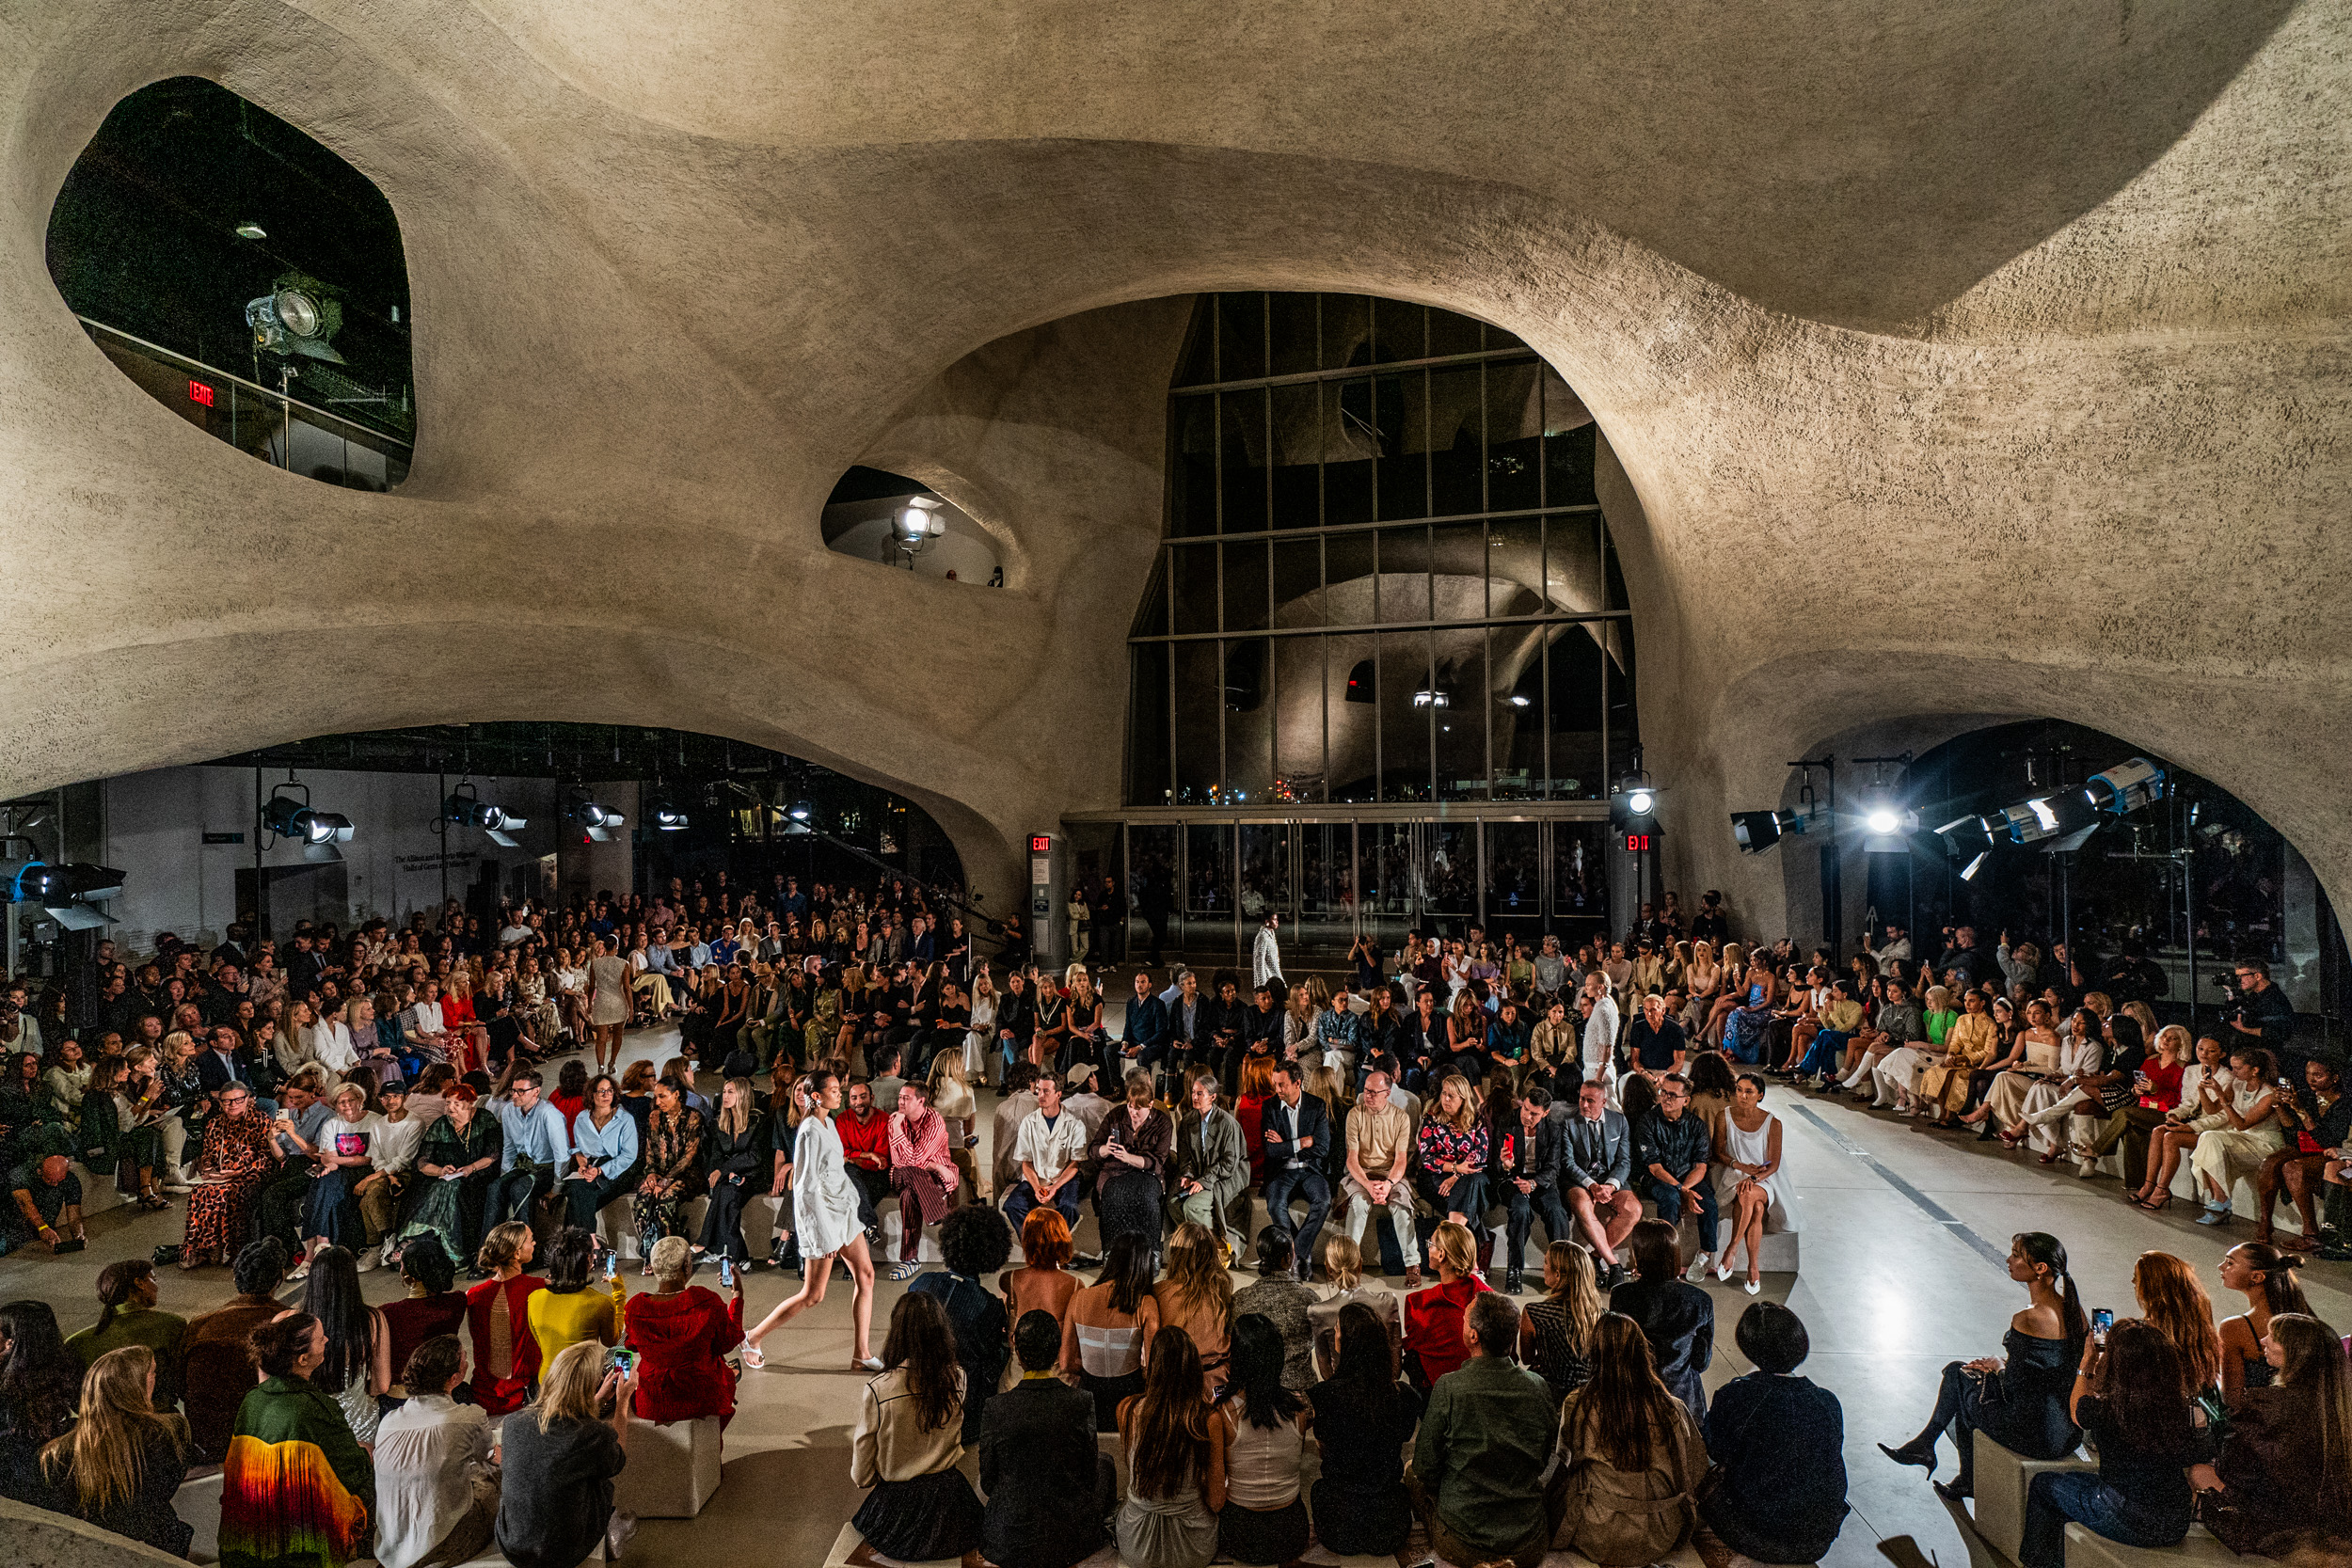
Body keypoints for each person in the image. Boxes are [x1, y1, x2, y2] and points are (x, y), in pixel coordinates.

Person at [1881, 1231, 2087, 1499]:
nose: (2008, 1260)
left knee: (1959, 1378)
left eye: (2016, 1255)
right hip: (2065, 1432)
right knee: (1967, 1381)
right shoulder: (2075, 1313)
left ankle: (1940, 1456)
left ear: (2040, 1268)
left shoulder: (2028, 1318)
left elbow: (2014, 1385)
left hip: (2033, 1434)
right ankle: (1936, 1454)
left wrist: (1999, 1366)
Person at [2018, 1319, 2196, 1568]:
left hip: (2125, 1516)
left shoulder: (2107, 1409)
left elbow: (2076, 1411)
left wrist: (2086, 1364)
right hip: (2175, 1521)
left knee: (2044, 1485)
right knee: (2074, 1480)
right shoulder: (2179, 1407)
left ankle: (2036, 1564)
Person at [742, 1071, 882, 1371]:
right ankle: (752, 1338)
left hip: (841, 1213)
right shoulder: (809, 1130)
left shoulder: (828, 1122)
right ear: (816, 1096)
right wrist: (821, 1235)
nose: (839, 1093)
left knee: (866, 1276)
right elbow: (805, 1186)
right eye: (833, 1089)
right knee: (813, 1295)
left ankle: (861, 1354)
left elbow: (834, 1172)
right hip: (823, 1219)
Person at [1697, 1302, 1849, 1568]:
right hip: (1817, 1540)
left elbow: (1713, 1450)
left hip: (1755, 1534)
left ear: (1749, 1347)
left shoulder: (1736, 1396)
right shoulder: (1828, 1402)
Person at [1552, 1311, 1708, 1566]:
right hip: (1661, 1530)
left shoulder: (1579, 1403)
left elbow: (1567, 1461)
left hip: (1598, 1530)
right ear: (1642, 1352)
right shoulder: (1672, 1407)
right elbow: (1696, 1467)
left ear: (1596, 1354)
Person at [1410, 1291, 1554, 1568]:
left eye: (1464, 1320)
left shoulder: (1449, 1387)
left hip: (1463, 1543)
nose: (1462, 1323)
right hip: (1527, 1542)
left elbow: (1425, 1467)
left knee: (1410, 1475)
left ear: (1473, 1336)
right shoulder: (1537, 1386)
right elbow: (1544, 1458)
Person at [219, 1312, 375, 1568]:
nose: (326, 1339)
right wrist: (365, 1454)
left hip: (250, 1536)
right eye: (319, 1338)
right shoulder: (315, 1408)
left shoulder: (252, 1400)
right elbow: (352, 1472)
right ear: (303, 1359)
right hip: (300, 1543)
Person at [2187, 1312, 2352, 1553]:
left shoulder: (2264, 1404)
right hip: (2322, 1523)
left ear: (2294, 1353)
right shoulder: (2340, 1409)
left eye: (2272, 1337)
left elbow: (2232, 1472)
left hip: (2271, 1525)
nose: (2263, 1341)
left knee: (2198, 1471)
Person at [845, 1292, 986, 1568]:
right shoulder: (958, 1378)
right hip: (950, 1505)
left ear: (896, 1332)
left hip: (898, 1508)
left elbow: (862, 1472)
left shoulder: (878, 1388)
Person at [980, 1308, 1118, 1568]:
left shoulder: (996, 1407)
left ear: (1018, 1354)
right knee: (1106, 1463)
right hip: (1070, 1540)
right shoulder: (1081, 1402)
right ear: (1057, 1352)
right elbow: (1089, 1475)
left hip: (1009, 1539)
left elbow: (988, 1481)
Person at [34, 1344, 192, 1556]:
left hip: (96, 1552)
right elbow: (167, 1485)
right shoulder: (170, 1431)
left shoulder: (53, 1455)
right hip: (157, 1547)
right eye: (152, 1372)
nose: (156, 1378)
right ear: (134, 1384)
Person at [496, 1338, 632, 1568]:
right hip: (564, 1552)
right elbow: (616, 1459)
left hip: (512, 1545)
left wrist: (595, 1401)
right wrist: (623, 1402)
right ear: (593, 1384)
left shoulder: (512, 1423)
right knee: (600, 1478)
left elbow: (560, 1433)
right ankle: (611, 1526)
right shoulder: (592, 1434)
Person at [1307, 1300, 1422, 1562]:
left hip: (1338, 1526)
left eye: (1337, 1330)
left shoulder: (1323, 1396)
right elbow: (1403, 1437)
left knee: (1317, 1488)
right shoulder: (1404, 1396)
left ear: (1344, 1342)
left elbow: (1323, 1447)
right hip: (1389, 1525)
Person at [372, 1336, 500, 1568]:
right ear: (454, 1378)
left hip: (389, 1544)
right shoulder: (469, 1418)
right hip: (442, 1540)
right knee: (491, 1478)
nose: (468, 1363)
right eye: (465, 1360)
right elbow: (491, 1456)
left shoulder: (388, 1421)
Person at [1116, 1326, 1227, 1568]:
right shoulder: (1208, 1420)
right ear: (1193, 1368)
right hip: (1194, 1548)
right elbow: (1217, 1502)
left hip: (1136, 1544)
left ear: (1152, 1367)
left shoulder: (1127, 1410)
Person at [1212, 1314, 1312, 1566]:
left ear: (1237, 1359)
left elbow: (1215, 1496)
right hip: (1292, 1532)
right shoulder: (1299, 1408)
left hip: (1239, 1534)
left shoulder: (1223, 1414)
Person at [907, 1206, 1014, 1443]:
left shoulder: (920, 1284)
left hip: (912, 1398)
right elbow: (990, 1355)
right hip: (965, 1414)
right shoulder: (989, 1305)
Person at [183, 1239, 292, 1459]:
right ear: (280, 1278)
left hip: (212, 1440)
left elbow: (181, 1385)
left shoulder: (200, 1325)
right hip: (274, 1439)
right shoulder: (291, 1325)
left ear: (236, 1278)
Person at [626, 1233, 747, 1425]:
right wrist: (737, 1297)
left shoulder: (636, 1308)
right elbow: (728, 1341)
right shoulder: (705, 1301)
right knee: (720, 1363)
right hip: (700, 1398)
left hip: (653, 1400)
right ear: (687, 1267)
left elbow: (631, 1344)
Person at [1610, 1216, 1714, 1424]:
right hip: (1682, 1402)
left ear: (1639, 1255)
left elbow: (1617, 1353)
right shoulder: (1700, 1301)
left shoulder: (1622, 1295)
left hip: (1633, 1401)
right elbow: (1701, 1362)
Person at [1062, 1231, 1163, 1429]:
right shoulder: (1145, 1303)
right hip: (1129, 1396)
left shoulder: (1079, 1298)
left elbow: (1065, 1362)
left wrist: (1091, 1367)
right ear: (1144, 1265)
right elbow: (1152, 1366)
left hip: (1089, 1393)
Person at [1711, 1071, 1797, 1293]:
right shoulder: (1724, 1116)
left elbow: (1774, 1164)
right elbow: (1718, 1152)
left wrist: (1753, 1177)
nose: (1742, 1096)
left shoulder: (1773, 1123)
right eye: (1739, 1090)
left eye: (1749, 1091)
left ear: (1760, 1095)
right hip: (1734, 1173)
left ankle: (1731, 1249)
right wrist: (1739, 1167)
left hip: (1765, 1179)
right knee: (1756, 1209)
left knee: (1749, 1194)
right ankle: (1753, 1266)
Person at [66, 1259, 187, 1411]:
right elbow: (183, 1382)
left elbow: (76, 1400)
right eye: (153, 1280)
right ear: (140, 1283)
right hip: (159, 1416)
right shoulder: (172, 1325)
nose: (156, 1287)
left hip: (106, 1426)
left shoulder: (77, 1342)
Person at [1340, 1069, 1422, 1286]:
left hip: (1391, 1174)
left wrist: (1387, 1185)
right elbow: (1352, 1159)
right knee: (1358, 1205)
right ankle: (1349, 1265)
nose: (1368, 1096)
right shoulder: (1354, 1115)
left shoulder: (1400, 1117)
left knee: (1402, 1206)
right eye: (1366, 1091)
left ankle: (1412, 1264)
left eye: (1374, 1092)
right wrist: (1367, 1184)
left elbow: (1401, 1160)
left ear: (1387, 1093)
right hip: (1362, 1173)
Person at [1637, 1073, 1720, 1280]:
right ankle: (1664, 1257)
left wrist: (1685, 1188)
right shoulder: (1648, 1122)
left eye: (1673, 1095)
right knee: (1670, 1200)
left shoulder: (1696, 1126)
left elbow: (1701, 1166)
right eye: (1663, 1092)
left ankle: (1704, 1256)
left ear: (1686, 1100)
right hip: (1656, 1178)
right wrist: (1680, 1190)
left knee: (1707, 1202)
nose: (1666, 1098)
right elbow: (1654, 1167)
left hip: (1689, 1178)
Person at [1560, 1076, 1642, 1285]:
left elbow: (1624, 1160)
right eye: (1581, 1099)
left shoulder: (1619, 1121)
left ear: (1603, 1102)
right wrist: (1592, 1185)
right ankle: (1614, 1263)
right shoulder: (1569, 1123)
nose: (1584, 1105)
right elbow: (1568, 1163)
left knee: (1634, 1209)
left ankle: (1594, 1257)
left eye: (1590, 1100)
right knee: (1581, 1204)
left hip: (1611, 1179)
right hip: (1580, 1180)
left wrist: (1611, 1185)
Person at [1258, 1060, 1331, 1280]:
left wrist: (1287, 1146)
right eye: (1275, 1084)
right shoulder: (1270, 1107)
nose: (1277, 1089)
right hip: (1281, 1172)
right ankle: (1300, 1257)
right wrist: (1301, 1142)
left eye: (1282, 1085)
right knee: (1275, 1205)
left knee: (1323, 1201)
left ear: (1297, 1083)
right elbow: (1271, 1150)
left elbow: (1323, 1147)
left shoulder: (1316, 1106)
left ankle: (1296, 1256)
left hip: (1311, 1171)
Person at [2216, 1240, 2313, 1403]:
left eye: (2230, 1263)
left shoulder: (2234, 1327)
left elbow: (2233, 1400)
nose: (2221, 1266)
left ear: (2257, 1276)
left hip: (2257, 1421)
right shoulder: (2306, 1317)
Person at [464, 1222, 545, 1417]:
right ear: (516, 1254)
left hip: (483, 1394)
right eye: (530, 1240)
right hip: (525, 1396)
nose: (534, 1244)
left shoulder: (473, 1295)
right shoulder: (539, 1288)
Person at [1169, 1070, 1248, 1260]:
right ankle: (1204, 1243)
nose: (1194, 1097)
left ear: (1212, 1097)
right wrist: (1187, 1175)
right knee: (1173, 1204)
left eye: (1200, 1094)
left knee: (1192, 1207)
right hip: (1199, 1175)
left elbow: (1229, 1163)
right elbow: (1185, 1156)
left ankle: (1209, 1252)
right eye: (1193, 1092)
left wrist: (1204, 1181)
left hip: (1225, 1177)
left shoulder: (1227, 1123)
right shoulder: (1188, 1121)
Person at [1402, 1221, 1490, 1388]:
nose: (1427, 1247)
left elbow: (1413, 1345)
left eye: (1431, 1244)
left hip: (1440, 1389)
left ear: (1441, 1255)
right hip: (1483, 1384)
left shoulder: (1418, 1303)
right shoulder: (1489, 1297)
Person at [886, 1080, 960, 1280]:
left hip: (929, 1179)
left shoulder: (934, 1121)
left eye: (906, 1098)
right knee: (910, 1171)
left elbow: (915, 1160)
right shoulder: (894, 1120)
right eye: (900, 1097)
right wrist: (936, 1165)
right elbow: (903, 1161)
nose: (901, 1102)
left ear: (921, 1101)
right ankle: (939, 1213)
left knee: (909, 1196)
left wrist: (934, 1167)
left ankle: (909, 1260)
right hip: (902, 1175)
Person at [1230, 1227, 1318, 1393]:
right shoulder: (1310, 1299)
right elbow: (1313, 1343)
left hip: (1255, 1393)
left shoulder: (1240, 1299)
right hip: (1300, 1391)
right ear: (1288, 1258)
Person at [380, 1237, 469, 1399]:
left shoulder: (387, 1313)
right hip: (445, 1392)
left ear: (407, 1276)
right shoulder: (458, 1302)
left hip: (401, 1398)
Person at [526, 1226, 623, 1371]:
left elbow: (539, 1341)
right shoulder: (601, 1303)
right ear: (589, 1260)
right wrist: (619, 1291)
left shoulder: (534, 1298)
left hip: (547, 1381)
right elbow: (612, 1341)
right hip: (584, 1383)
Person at [1153, 1222, 1235, 1391]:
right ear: (1211, 1254)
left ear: (1176, 1254)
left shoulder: (1159, 1292)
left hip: (1174, 1384)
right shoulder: (1221, 1288)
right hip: (1215, 1381)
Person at [1519, 1237, 1604, 1397]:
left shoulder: (1534, 1313)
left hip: (1547, 1394)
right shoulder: (1602, 1316)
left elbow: (1527, 1359)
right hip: (1588, 1396)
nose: (1543, 1267)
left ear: (1557, 1274)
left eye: (1545, 1262)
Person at [563, 1071, 639, 1232]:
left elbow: (629, 1155)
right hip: (590, 1167)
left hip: (618, 1170)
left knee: (578, 1195)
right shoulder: (582, 1118)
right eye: (601, 1091)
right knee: (578, 1190)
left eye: (610, 1090)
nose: (606, 1095)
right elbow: (578, 1148)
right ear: (592, 1094)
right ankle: (589, 1243)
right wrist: (583, 1165)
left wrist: (599, 1170)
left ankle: (578, 1243)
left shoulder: (625, 1119)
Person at [1000, 1206, 1081, 1349]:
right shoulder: (1074, 1284)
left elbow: (1007, 1329)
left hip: (1022, 1364)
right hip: (1056, 1366)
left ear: (1027, 1239)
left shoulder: (1009, 1279)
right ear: (1063, 1239)